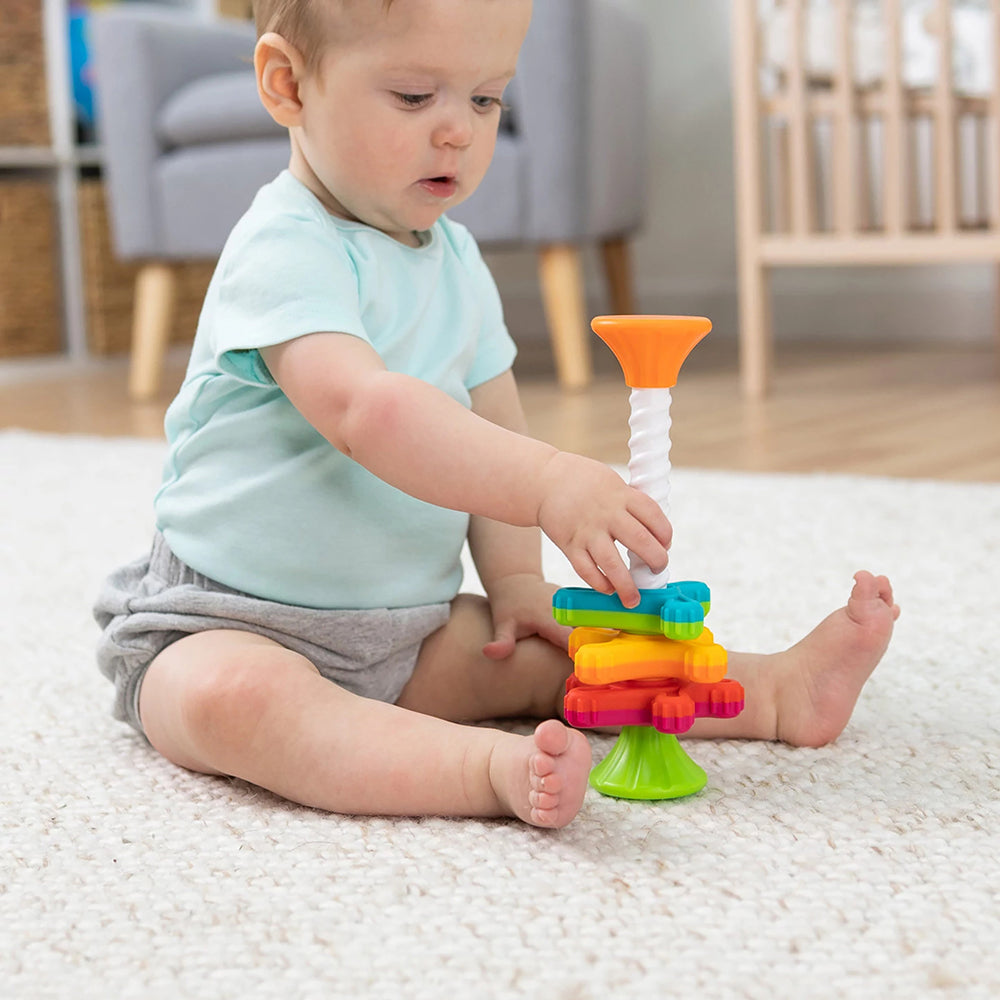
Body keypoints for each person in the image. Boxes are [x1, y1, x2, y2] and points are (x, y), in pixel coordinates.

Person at [95, 0, 900, 829]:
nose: (457, 132)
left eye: (485, 99)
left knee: (573, 654)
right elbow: (368, 412)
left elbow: (497, 426)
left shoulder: (457, 260)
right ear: (287, 84)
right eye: (415, 98)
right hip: (225, 625)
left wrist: (516, 583)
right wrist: (548, 483)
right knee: (243, 702)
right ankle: (484, 771)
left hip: (408, 634)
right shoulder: (284, 248)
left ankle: (773, 692)